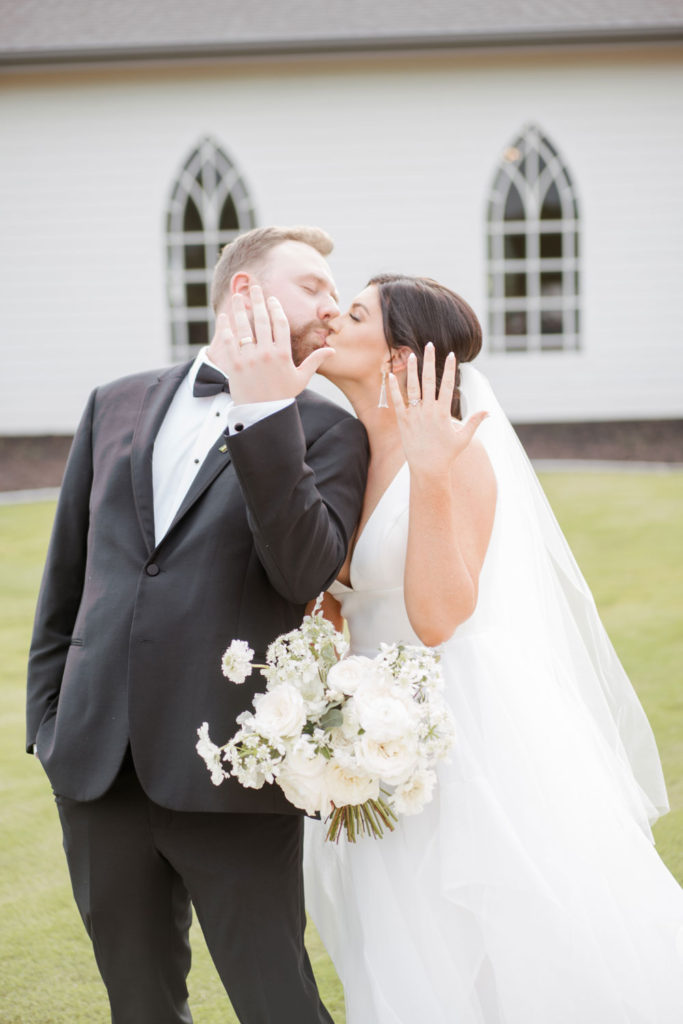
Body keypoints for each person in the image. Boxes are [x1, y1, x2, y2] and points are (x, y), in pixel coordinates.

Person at [304, 274, 683, 1023]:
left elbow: (440, 616)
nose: (329, 320)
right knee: (401, 934)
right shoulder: (340, 454)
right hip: (370, 735)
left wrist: (433, 473)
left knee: (503, 937)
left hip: (463, 730)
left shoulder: (454, 456)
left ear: (400, 356)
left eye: (353, 315)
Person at [26, 225, 369, 1024]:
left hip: (232, 774)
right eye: (313, 286)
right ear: (245, 293)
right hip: (95, 768)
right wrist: (47, 723)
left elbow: (300, 571)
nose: (332, 305)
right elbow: (68, 583)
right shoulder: (113, 402)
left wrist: (263, 413)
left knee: (277, 1001)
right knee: (138, 1006)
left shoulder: (328, 432)